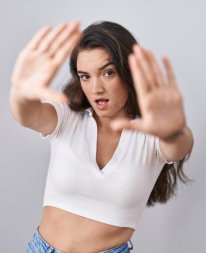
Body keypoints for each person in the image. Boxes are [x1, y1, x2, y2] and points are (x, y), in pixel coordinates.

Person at [10, 20, 194, 253]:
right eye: (85, 76)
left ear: (127, 73)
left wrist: (173, 131)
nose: (96, 88)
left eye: (108, 73)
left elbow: (180, 145)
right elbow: (26, 115)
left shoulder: (150, 135)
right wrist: (20, 92)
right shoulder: (68, 118)